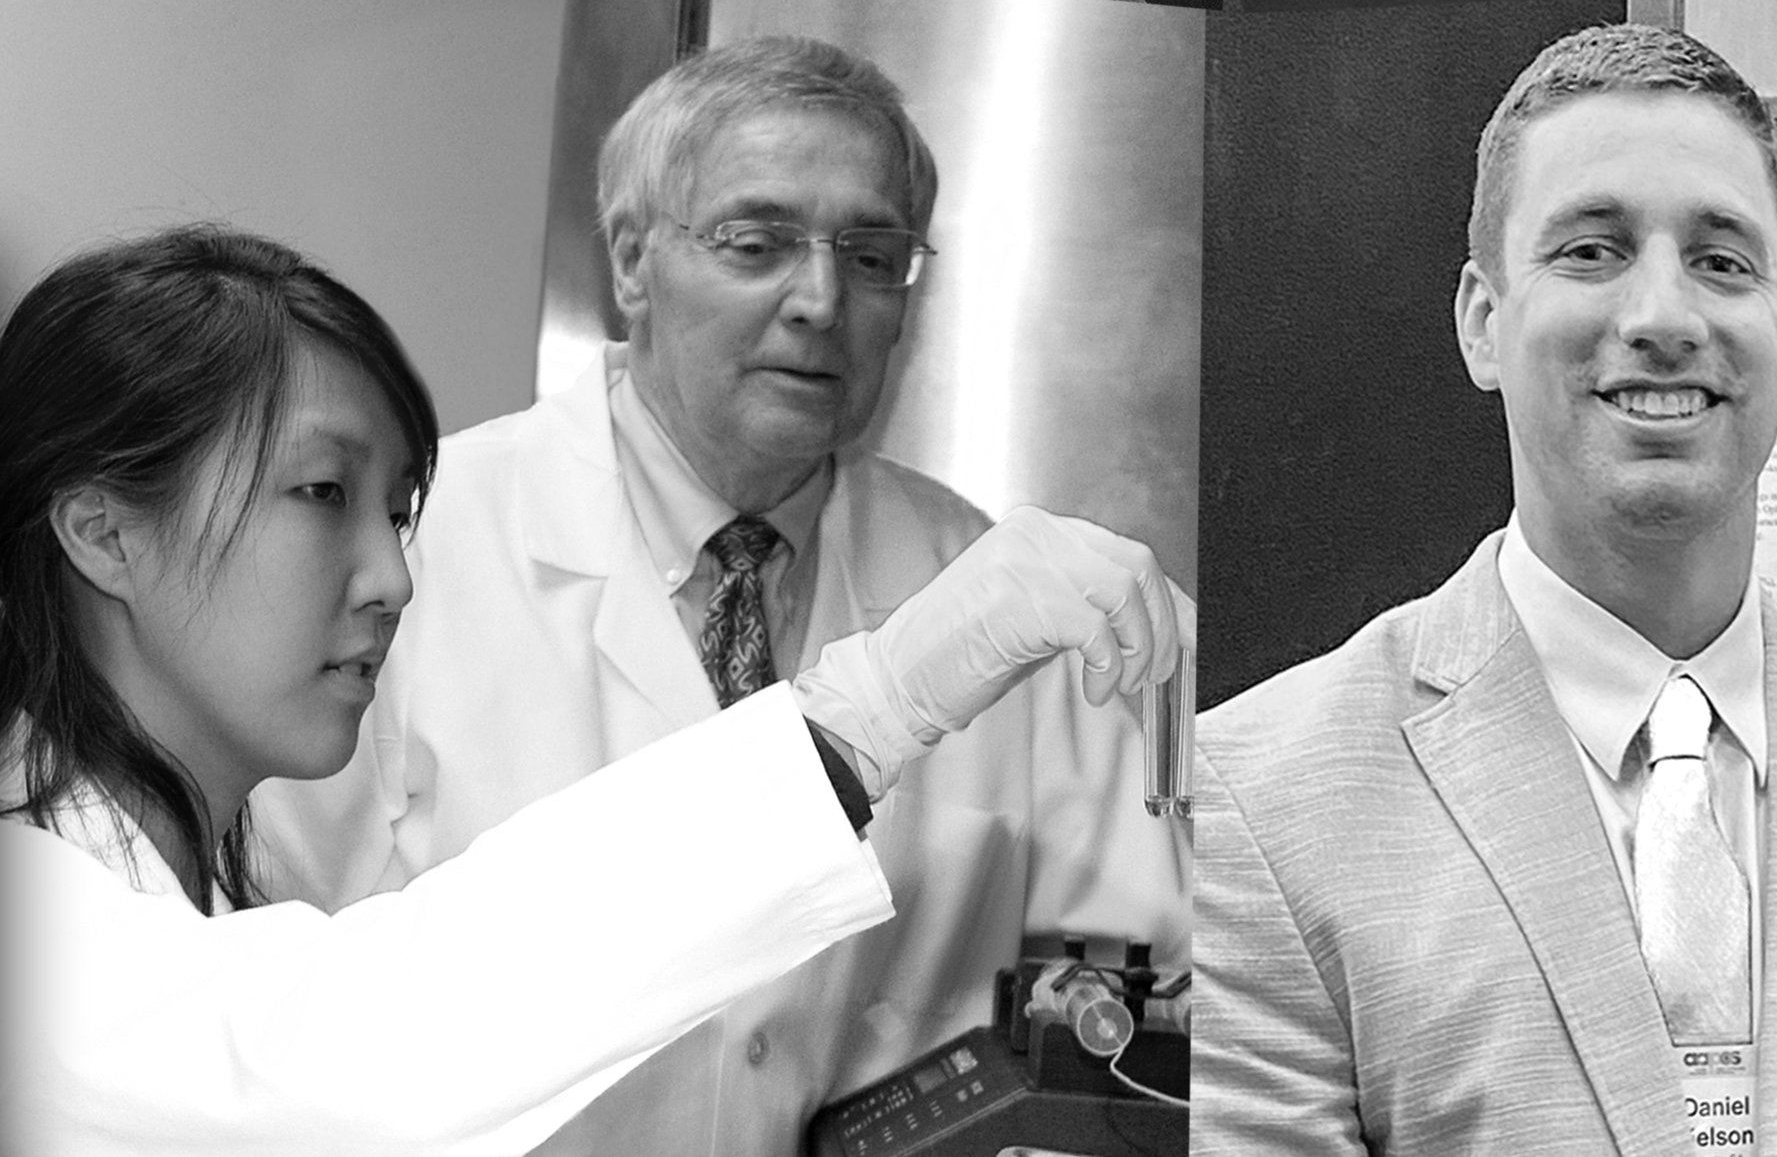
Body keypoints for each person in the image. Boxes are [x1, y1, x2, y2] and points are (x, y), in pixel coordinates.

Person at [2, 224, 1180, 1157]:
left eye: (402, 511)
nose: (394, 578)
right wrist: (870, 708)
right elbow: (360, 1057)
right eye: (320, 493)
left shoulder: (186, 889)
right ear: (105, 531)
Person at [245, 36, 1192, 1156]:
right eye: (756, 242)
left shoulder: (998, 594)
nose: (821, 299)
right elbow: (283, 1012)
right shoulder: (413, 553)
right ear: (633, 263)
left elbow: (1152, 1000)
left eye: (875, 255)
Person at [1195, 22, 1777, 1154]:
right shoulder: (1260, 806)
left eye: (1722, 261)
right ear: (1484, 321)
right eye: (1591, 251)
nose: (1664, 318)